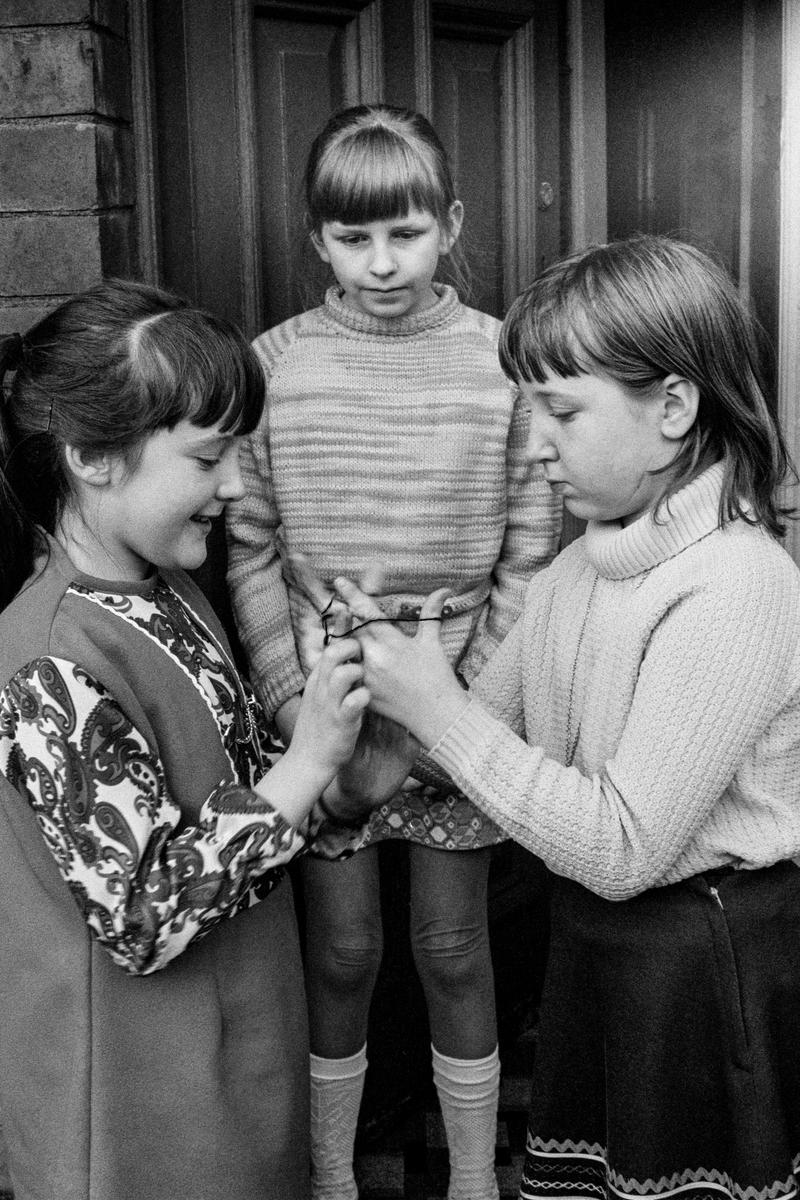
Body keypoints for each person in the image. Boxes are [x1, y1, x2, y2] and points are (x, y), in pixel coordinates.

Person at [326, 235, 800, 1200]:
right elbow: (486, 748)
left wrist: (443, 713)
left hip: (709, 977)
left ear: (673, 407)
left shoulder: (738, 585)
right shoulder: (581, 567)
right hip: (604, 952)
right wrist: (390, 726)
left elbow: (623, 843)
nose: (535, 444)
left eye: (563, 411)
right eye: (528, 409)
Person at [0, 278, 408, 1200]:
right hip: (134, 1125)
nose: (235, 484)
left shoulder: (170, 592)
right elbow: (142, 913)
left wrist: (340, 781)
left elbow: (230, 793)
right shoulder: (45, 661)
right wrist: (303, 768)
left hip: (234, 1074)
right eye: (208, 456)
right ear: (91, 458)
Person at [225, 103, 561, 1200]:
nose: (381, 263)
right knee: (342, 953)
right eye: (353, 238)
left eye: (405, 234)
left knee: (453, 950)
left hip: (456, 702)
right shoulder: (272, 368)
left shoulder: (498, 362)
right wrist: (292, 710)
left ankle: (471, 1181)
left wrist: (457, 712)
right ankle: (330, 1176)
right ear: (315, 239)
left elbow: (527, 550)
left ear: (450, 224)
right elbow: (251, 551)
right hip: (326, 703)